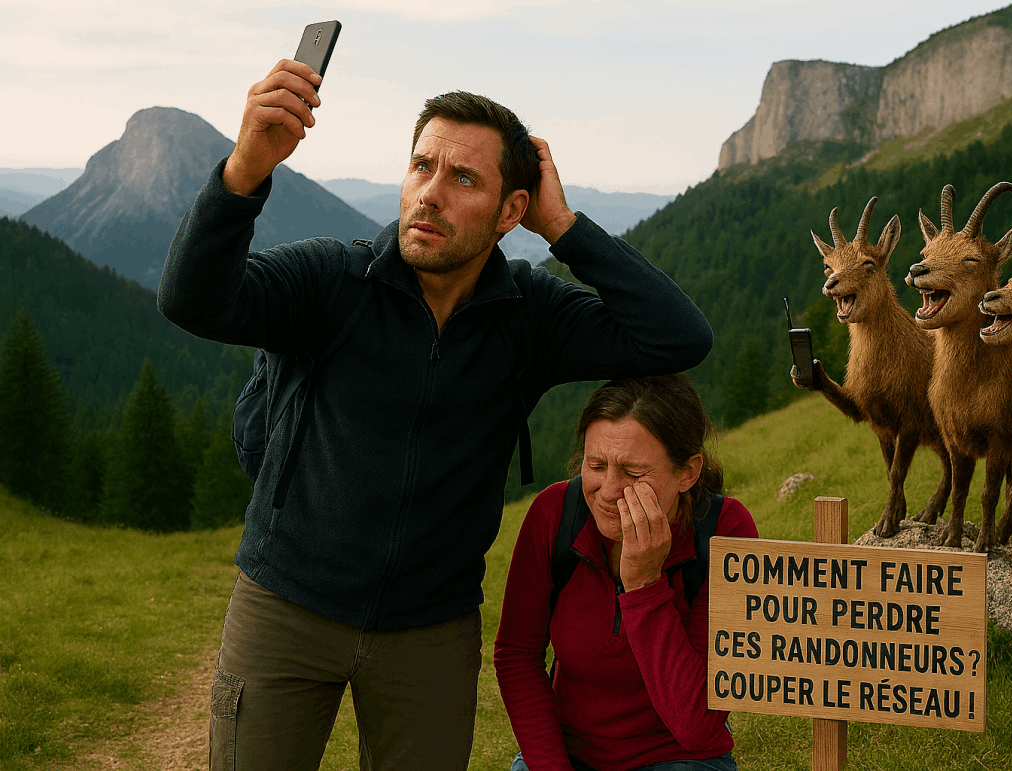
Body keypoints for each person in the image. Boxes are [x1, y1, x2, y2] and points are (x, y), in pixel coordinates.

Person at [156, 60, 713, 771]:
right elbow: (192, 299)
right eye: (422, 166)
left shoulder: (528, 316)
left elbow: (678, 337)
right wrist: (245, 169)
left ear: (512, 211)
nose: (430, 193)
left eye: (464, 180)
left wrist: (564, 228)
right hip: (286, 606)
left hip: (430, 630)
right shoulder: (333, 280)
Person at [495, 374, 758, 771]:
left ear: (688, 472)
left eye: (633, 473)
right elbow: (517, 656)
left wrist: (645, 587)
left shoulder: (725, 530)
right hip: (568, 754)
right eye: (596, 465)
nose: (607, 489)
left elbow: (698, 726)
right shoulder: (555, 515)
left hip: (676, 757)